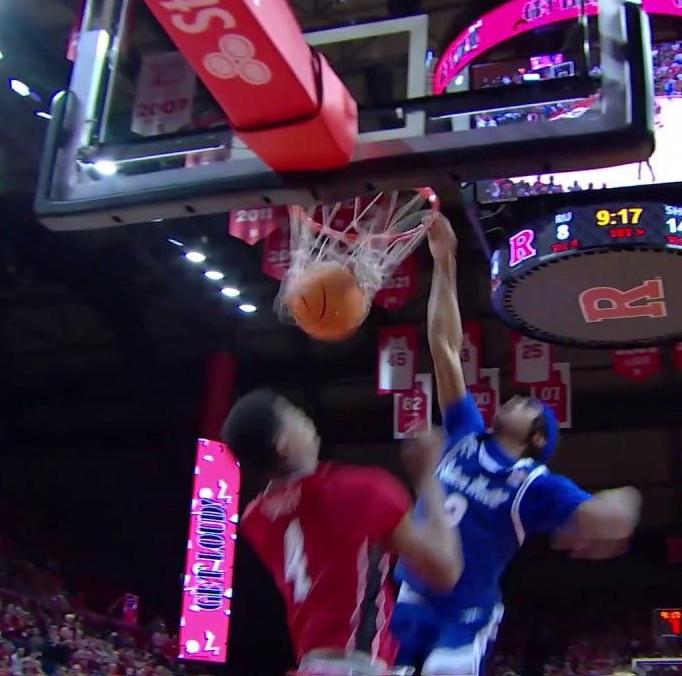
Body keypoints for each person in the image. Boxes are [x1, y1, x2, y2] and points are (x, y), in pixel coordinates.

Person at [391, 214, 643, 676]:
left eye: (527, 404)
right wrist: (444, 261)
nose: (513, 397)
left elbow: (603, 517)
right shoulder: (467, 433)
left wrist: (625, 504)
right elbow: (444, 348)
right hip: (412, 592)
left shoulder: (534, 484)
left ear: (537, 437)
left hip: (465, 614)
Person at [224, 389, 463, 675]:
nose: (307, 421)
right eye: (296, 416)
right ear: (284, 444)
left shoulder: (256, 520)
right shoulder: (360, 491)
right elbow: (445, 570)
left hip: (311, 666)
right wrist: (428, 477)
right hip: (354, 665)